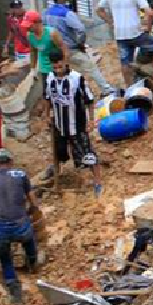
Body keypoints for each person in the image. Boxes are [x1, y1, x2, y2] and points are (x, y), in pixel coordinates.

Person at [0, 148, 39, 305]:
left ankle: (14, 288)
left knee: (5, 259)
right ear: (11, 162)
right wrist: (32, 210)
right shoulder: (20, 175)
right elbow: (32, 200)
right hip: (21, 224)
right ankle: (32, 261)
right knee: (29, 240)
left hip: (0, 228)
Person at [44, 51, 103, 196]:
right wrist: (46, 115)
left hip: (77, 124)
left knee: (87, 152)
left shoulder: (76, 78)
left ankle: (97, 182)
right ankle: (57, 178)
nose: (57, 65)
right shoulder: (49, 78)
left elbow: (89, 100)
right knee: (58, 151)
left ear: (65, 61)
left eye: (59, 62)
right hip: (59, 124)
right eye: (54, 63)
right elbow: (47, 98)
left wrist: (91, 120)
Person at [97, 0, 153, 90]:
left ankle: (129, 87)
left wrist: (110, 22)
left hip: (120, 34)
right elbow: (149, 13)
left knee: (125, 61)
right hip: (135, 32)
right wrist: (147, 28)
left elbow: (99, 10)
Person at [45, 0, 115, 96]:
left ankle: (67, 93)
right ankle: (106, 89)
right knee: (90, 66)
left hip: (55, 49)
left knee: (66, 72)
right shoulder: (66, 13)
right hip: (70, 48)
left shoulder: (46, 13)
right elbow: (80, 29)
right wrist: (80, 43)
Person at [24, 10, 69, 106]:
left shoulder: (51, 34)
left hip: (56, 65)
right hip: (44, 66)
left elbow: (63, 49)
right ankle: (48, 111)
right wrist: (33, 69)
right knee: (46, 91)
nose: (28, 28)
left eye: (30, 25)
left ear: (37, 23)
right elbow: (33, 51)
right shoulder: (30, 35)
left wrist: (64, 65)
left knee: (60, 89)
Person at [5, 0, 31, 64]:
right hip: (18, 49)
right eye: (15, 8)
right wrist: (6, 46)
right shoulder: (10, 18)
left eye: (19, 7)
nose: (17, 9)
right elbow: (11, 32)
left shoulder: (28, 16)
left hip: (29, 49)